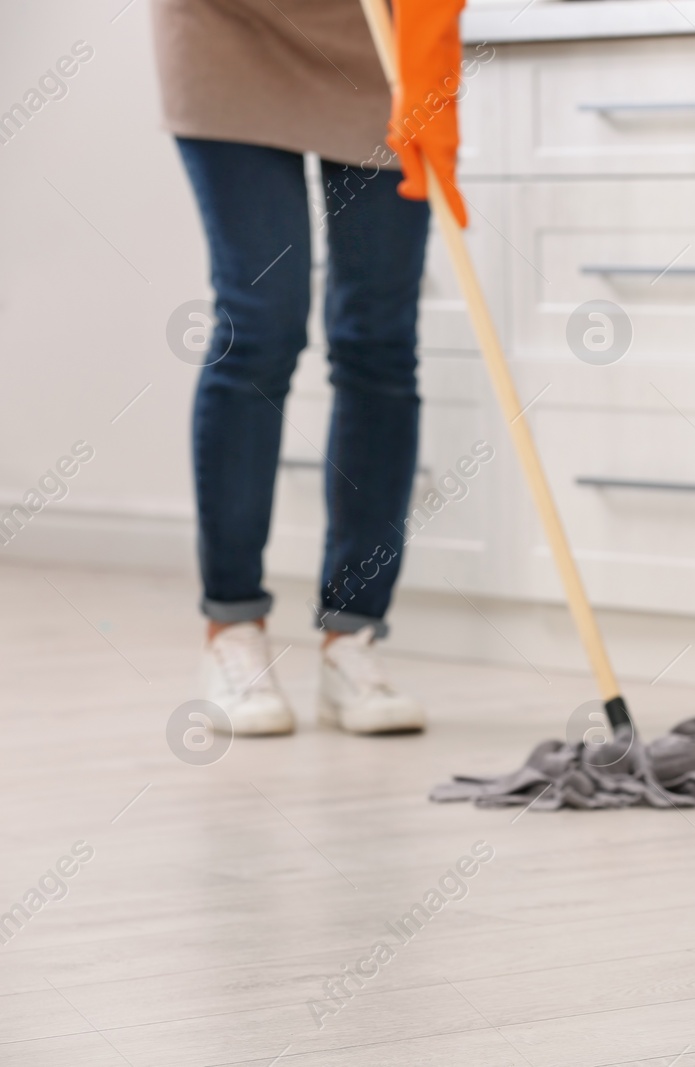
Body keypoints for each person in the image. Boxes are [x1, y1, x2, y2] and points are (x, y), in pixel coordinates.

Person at [153, 0, 430, 735]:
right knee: (261, 325)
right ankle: (233, 628)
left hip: (385, 42)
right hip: (229, 28)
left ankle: (354, 636)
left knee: (379, 340)